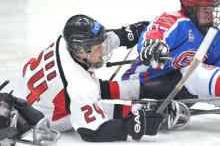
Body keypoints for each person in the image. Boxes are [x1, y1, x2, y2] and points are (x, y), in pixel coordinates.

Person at [11, 14, 164, 142]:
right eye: (98, 47)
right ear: (81, 52)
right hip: (46, 116)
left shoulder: (65, 43)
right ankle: (141, 109)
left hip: (29, 95)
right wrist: (132, 126)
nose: (103, 48)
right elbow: (92, 132)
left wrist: (127, 34)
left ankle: (140, 98)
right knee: (96, 106)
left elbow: (94, 40)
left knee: (91, 91)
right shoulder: (79, 85)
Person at [117, 0, 220, 118]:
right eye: (206, 10)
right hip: (146, 81)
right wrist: (153, 45)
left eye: (212, 10)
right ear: (192, 9)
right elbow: (155, 31)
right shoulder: (176, 21)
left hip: (178, 87)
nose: (211, 15)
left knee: (197, 74)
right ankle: (143, 107)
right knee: (192, 71)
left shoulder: (213, 35)